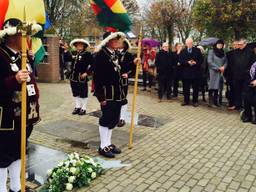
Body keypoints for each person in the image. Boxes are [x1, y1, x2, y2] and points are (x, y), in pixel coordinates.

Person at [0, 19, 40, 192]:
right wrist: (14, 80)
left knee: (18, 152)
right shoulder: (0, 55)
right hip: (7, 119)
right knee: (3, 157)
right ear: (13, 37)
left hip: (25, 116)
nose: (28, 38)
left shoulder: (22, 56)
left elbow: (33, 81)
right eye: (24, 35)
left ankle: (16, 187)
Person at [93, 31, 126, 158]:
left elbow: (119, 70)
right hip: (107, 94)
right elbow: (97, 78)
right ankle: (103, 146)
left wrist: (134, 63)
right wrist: (100, 97)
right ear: (109, 42)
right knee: (106, 119)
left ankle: (109, 143)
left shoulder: (114, 54)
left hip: (117, 93)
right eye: (115, 40)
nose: (118, 42)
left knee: (113, 119)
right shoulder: (101, 55)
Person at [68, 39, 93, 115]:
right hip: (73, 76)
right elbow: (67, 59)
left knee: (83, 93)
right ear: (75, 46)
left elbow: (93, 65)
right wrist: (66, 51)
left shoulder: (87, 54)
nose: (79, 46)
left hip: (81, 76)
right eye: (78, 45)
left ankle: (84, 108)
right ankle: (77, 107)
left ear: (84, 46)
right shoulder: (74, 53)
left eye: (81, 45)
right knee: (75, 92)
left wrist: (87, 73)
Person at [230, 39, 255, 110]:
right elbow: (232, 63)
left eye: (240, 44)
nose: (239, 46)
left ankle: (245, 107)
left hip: (246, 76)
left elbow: (253, 64)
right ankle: (238, 105)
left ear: (245, 44)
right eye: (238, 44)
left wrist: (247, 71)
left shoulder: (250, 52)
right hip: (236, 75)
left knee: (245, 92)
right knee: (237, 90)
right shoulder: (235, 52)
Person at [179, 38, 203, 107]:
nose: (190, 44)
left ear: (192, 43)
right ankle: (186, 101)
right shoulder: (183, 51)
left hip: (195, 72)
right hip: (186, 73)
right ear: (186, 44)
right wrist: (187, 62)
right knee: (186, 88)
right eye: (188, 43)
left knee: (195, 88)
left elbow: (201, 60)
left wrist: (196, 62)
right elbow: (180, 60)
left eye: (191, 43)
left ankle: (195, 101)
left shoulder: (197, 50)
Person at [117, 39, 135, 127]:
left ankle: (122, 118)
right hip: (113, 80)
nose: (117, 44)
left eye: (119, 43)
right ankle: (116, 116)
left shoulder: (128, 55)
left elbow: (133, 68)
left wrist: (128, 74)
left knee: (123, 99)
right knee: (115, 98)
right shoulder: (114, 53)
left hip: (123, 80)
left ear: (124, 45)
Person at [207, 40, 227, 107]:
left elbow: (226, 62)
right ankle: (210, 102)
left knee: (217, 87)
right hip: (213, 72)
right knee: (212, 87)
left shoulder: (223, 52)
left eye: (221, 44)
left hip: (220, 72)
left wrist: (223, 67)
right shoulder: (211, 51)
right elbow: (209, 61)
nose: (220, 45)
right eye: (219, 44)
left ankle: (216, 102)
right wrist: (218, 68)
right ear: (216, 44)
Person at [225, 40, 239, 110]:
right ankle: (232, 104)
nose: (236, 46)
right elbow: (226, 65)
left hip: (240, 76)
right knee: (232, 90)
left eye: (237, 44)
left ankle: (239, 104)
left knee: (239, 90)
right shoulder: (228, 54)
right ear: (232, 45)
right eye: (234, 44)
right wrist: (226, 76)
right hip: (231, 76)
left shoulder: (242, 53)